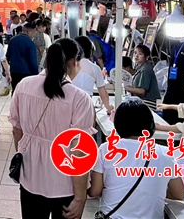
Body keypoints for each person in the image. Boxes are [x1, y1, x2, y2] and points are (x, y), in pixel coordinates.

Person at [9, 39, 94, 219]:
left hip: (30, 177)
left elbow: (17, 131)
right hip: (64, 184)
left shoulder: (23, 85)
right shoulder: (79, 98)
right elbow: (78, 151)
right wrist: (80, 197)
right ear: (75, 61)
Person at [88, 100, 184, 218]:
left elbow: (94, 191)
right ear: (151, 124)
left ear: (118, 124)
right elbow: (179, 194)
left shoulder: (106, 149)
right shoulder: (165, 153)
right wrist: (154, 190)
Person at [73, 36, 113, 113]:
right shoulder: (95, 68)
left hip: (69, 105)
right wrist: (108, 107)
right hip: (86, 106)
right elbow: (103, 93)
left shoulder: (69, 66)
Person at [125, 44, 162, 109]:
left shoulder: (146, 69)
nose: (136, 56)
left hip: (148, 103)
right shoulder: (139, 67)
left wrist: (127, 88)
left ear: (147, 57)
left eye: (140, 54)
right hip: (141, 101)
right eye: (135, 53)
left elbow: (142, 91)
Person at [6, 22, 39, 93]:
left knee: (15, 91)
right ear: (28, 32)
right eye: (33, 33)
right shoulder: (30, 43)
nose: (33, 35)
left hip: (14, 71)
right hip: (26, 72)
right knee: (25, 92)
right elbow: (33, 61)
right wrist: (36, 74)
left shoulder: (12, 40)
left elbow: (8, 56)